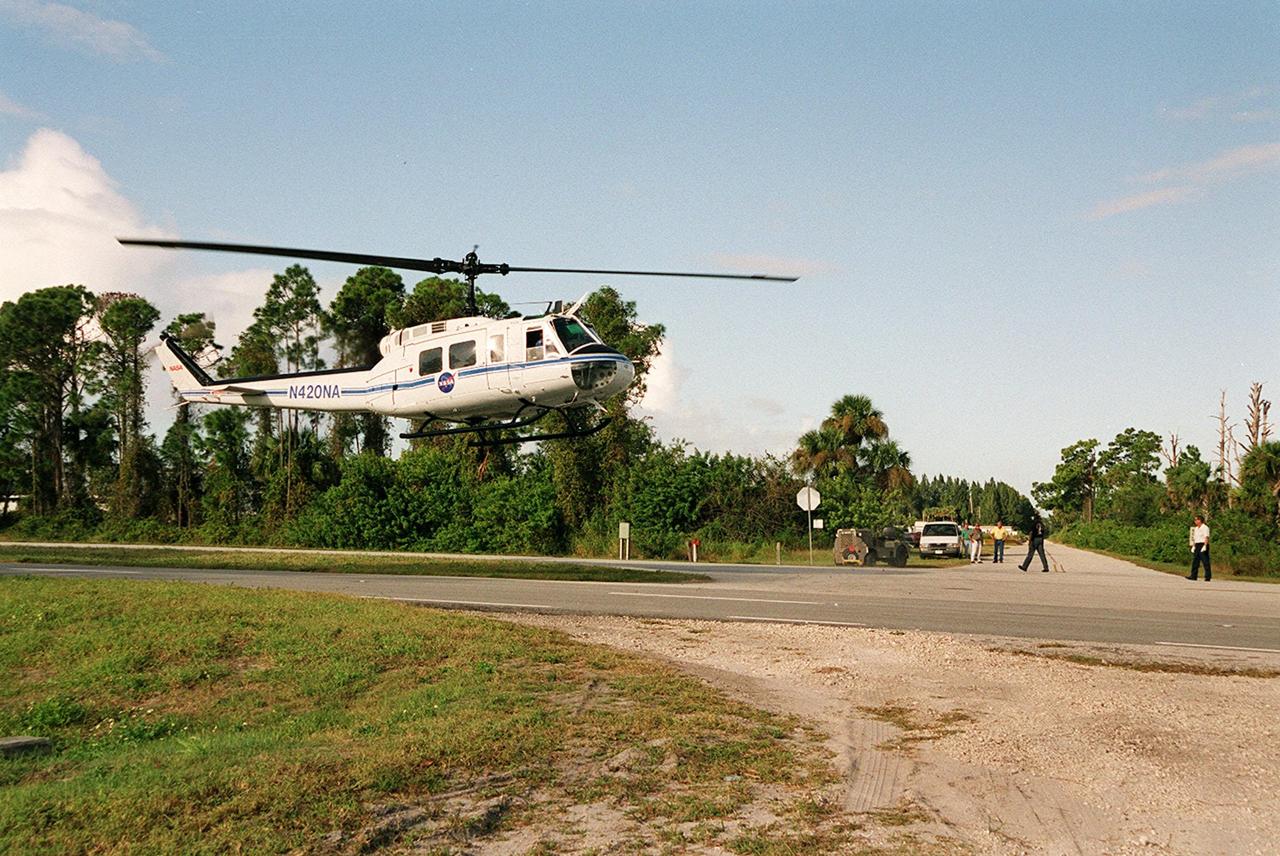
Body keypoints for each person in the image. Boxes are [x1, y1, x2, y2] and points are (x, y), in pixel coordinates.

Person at [1187, 515, 1211, 582]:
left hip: (1203, 544)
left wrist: (1205, 546)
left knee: (1205, 561)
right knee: (1195, 561)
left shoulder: (1205, 527)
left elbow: (1206, 537)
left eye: (1196, 520)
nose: (1195, 521)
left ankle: (1207, 576)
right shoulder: (1196, 528)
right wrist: (1193, 546)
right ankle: (1193, 576)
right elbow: (1195, 538)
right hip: (1197, 545)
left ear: (1200, 520)